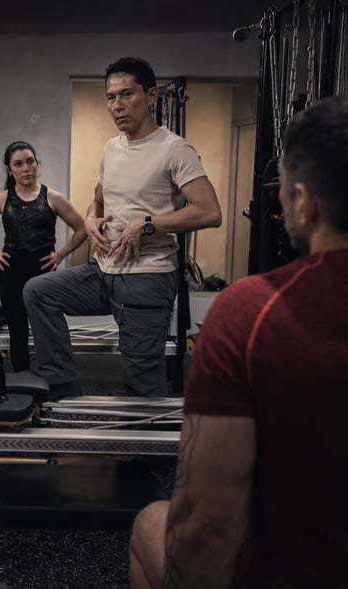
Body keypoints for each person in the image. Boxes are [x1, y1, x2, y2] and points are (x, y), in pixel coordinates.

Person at [128, 94, 348, 588]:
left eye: (284, 188)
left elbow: (206, 532)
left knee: (151, 522)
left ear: (304, 202)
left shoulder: (250, 312)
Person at [23, 56, 222, 398]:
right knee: (38, 291)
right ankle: (63, 389)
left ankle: (146, 434)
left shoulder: (175, 149)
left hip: (147, 278)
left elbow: (210, 212)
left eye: (127, 94)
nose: (117, 105)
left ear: (152, 96)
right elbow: (98, 199)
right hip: (103, 272)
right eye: (111, 97)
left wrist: (148, 224)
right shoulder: (111, 148)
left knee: (141, 384)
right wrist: (90, 218)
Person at [0, 140, 87, 372]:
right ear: (9, 169)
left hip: (43, 270)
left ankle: (52, 375)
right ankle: (20, 377)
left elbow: (82, 229)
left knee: (46, 326)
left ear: (36, 163)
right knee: (18, 330)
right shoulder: (2, 199)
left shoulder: (52, 197)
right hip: (11, 271)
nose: (26, 168)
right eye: (18, 164)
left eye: (30, 161)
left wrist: (60, 255)